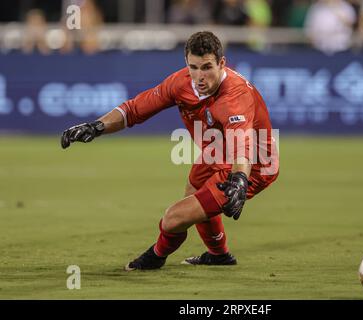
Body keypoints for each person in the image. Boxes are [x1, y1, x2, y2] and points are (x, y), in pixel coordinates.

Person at [60, 31, 279, 270]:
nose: (200, 77)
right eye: (193, 67)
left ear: (222, 63)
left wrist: (239, 180)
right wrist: (97, 126)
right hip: (218, 152)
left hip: (255, 164)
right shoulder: (180, 83)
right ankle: (219, 256)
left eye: (207, 67)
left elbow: (243, 147)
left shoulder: (235, 96)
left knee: (173, 219)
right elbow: (134, 110)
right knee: (193, 189)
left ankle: (156, 256)